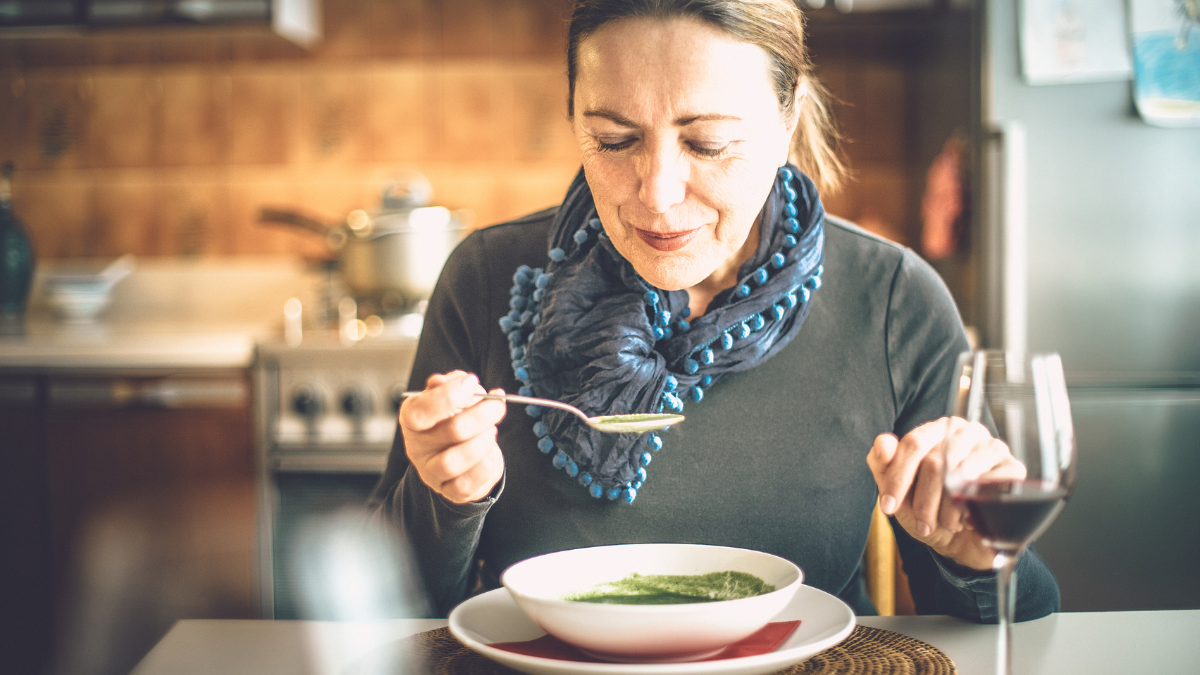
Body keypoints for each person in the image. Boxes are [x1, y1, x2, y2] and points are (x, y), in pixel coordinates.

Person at [368, 0, 1060, 621]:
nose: (658, 194)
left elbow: (1009, 625)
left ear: (788, 120)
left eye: (709, 145)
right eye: (614, 140)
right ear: (574, 114)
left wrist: (975, 553)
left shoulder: (893, 300)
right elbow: (383, 610)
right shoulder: (485, 278)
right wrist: (445, 497)